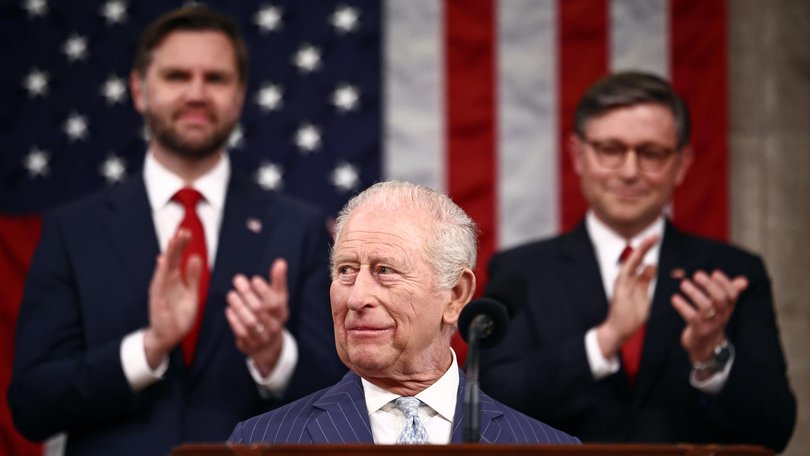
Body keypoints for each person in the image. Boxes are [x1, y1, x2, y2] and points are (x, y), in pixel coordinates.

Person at [8, 6, 345, 455]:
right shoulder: (73, 231)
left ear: (240, 95)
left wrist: (274, 355)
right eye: (177, 76)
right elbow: (32, 404)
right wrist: (148, 349)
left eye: (216, 79)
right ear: (139, 90)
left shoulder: (298, 228)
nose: (196, 93)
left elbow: (343, 402)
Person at [479, 71, 796, 452]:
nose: (629, 171)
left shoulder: (731, 274)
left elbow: (775, 430)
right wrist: (604, 341)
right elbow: (488, 409)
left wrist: (711, 357)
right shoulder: (520, 272)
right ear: (578, 155)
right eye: (610, 150)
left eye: (651, 153)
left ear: (681, 163)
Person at [228, 181, 580, 445]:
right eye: (346, 270)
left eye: (385, 271)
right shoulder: (260, 443)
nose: (357, 298)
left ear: (455, 295)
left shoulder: (546, 450)